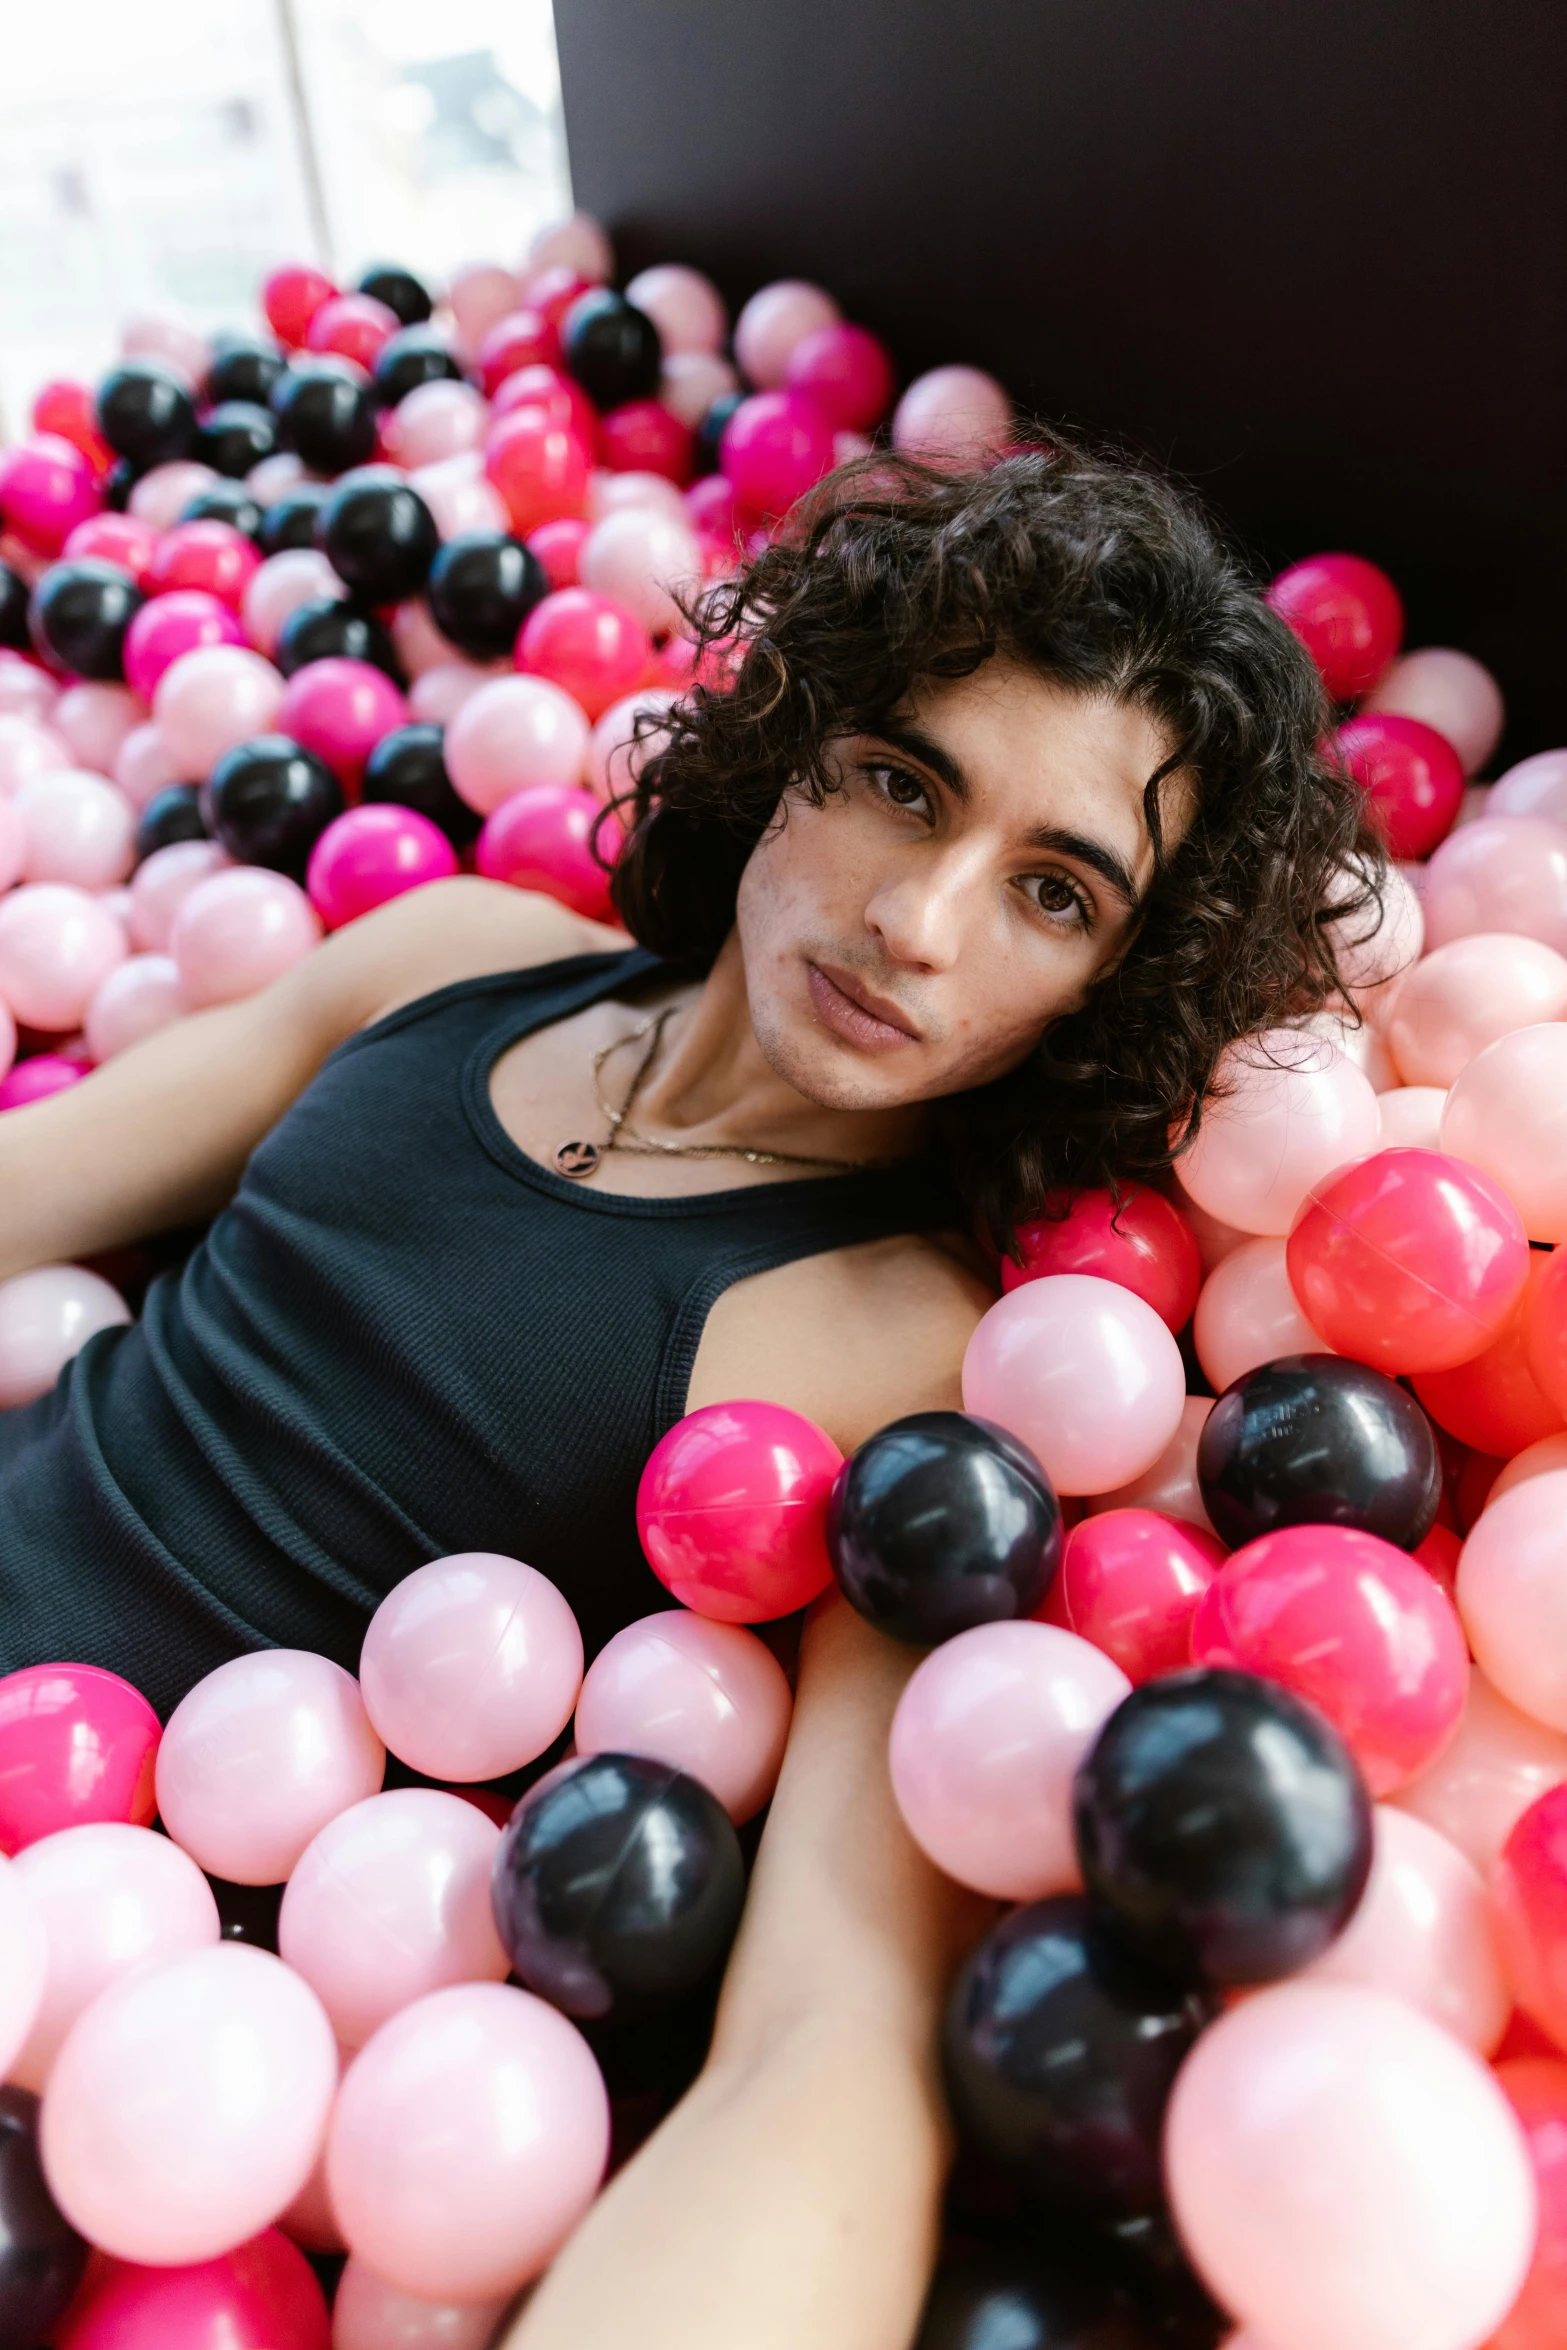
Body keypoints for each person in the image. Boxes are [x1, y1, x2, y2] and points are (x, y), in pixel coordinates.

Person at [0, 441, 1376, 2334]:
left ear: (1099, 1000)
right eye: (905, 786)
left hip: (88, 1968)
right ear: (792, 749)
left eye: (1051, 896)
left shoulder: (898, 1351)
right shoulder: (459, 958)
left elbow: (831, 2032)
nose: (921, 922)